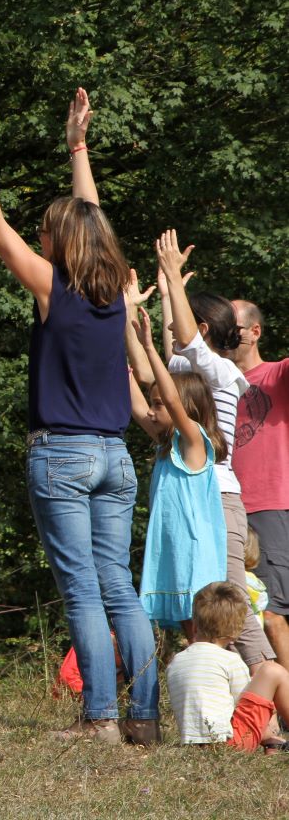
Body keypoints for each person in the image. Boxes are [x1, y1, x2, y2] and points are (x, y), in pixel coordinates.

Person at [0, 86, 158, 743]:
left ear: (59, 243)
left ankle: (100, 720)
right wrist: (78, 147)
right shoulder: (116, 295)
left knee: (84, 594)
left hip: (62, 456)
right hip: (115, 458)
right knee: (119, 589)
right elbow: (93, 218)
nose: (37, 236)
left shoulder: (54, 291)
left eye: (45, 231)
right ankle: (144, 720)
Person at [157, 235, 276, 670]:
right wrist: (168, 289)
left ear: (204, 330)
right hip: (199, 498)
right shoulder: (190, 368)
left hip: (221, 499)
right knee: (206, 602)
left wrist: (174, 276)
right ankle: (252, 717)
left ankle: (272, 700)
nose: (174, 328)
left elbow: (184, 337)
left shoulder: (222, 371)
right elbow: (175, 346)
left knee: (233, 601)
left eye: (186, 323)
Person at [125, 308, 227, 630]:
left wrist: (150, 347)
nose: (153, 410)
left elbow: (171, 400)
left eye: (160, 404)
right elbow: (136, 406)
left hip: (195, 554)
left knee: (202, 631)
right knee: (189, 633)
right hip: (172, 552)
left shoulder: (195, 443)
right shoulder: (166, 446)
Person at [230, 299, 289, 664]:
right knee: (235, 615)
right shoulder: (215, 379)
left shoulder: (276, 374)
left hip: (268, 505)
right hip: (225, 507)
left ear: (255, 332)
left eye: (233, 328)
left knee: (272, 614)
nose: (225, 335)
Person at [167, 582, 289, 751]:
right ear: (235, 632)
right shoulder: (230, 660)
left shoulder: (176, 661)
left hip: (194, 745)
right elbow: (243, 703)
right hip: (231, 742)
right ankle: (272, 739)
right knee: (272, 670)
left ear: (195, 624)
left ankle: (272, 742)